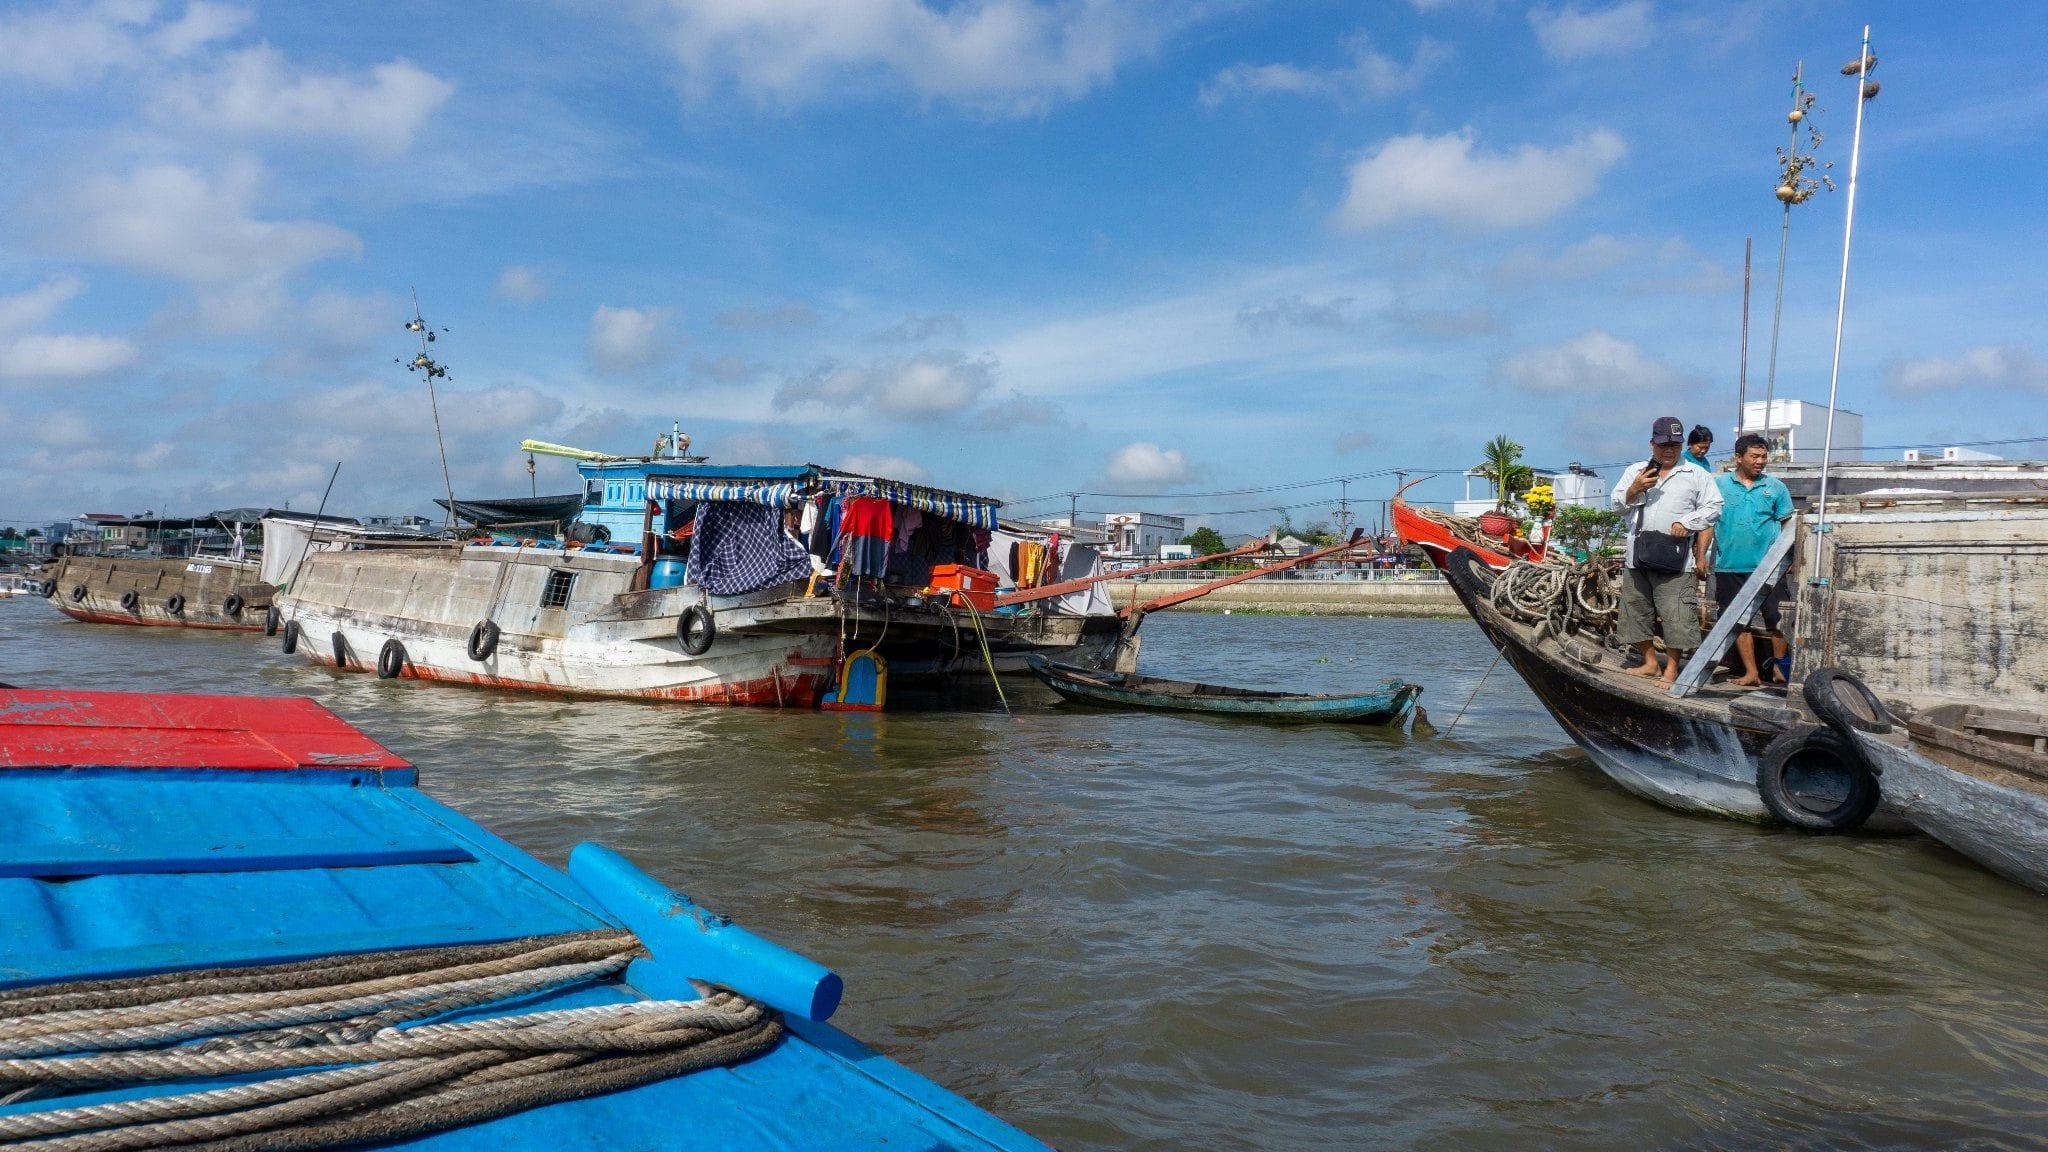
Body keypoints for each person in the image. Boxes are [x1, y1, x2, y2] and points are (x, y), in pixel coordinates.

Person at [1611, 416, 1723, 683]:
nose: (1669, 450)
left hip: (1676, 559)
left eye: (1674, 444)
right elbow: (1616, 505)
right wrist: (1634, 488)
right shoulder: (1636, 471)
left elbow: (1714, 507)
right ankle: (1650, 663)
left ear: (1682, 444)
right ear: (1652, 444)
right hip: (1638, 556)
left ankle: (1672, 669)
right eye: (1663, 445)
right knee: (1635, 611)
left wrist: (1688, 523)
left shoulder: (1696, 474)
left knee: (1678, 615)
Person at [1711, 432, 1795, 686]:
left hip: (1769, 566)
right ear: (1738, 457)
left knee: (1777, 620)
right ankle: (1751, 673)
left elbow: (1788, 523)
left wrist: (1790, 557)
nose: (1760, 461)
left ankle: (1779, 668)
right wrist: (1700, 555)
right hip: (1729, 566)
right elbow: (1707, 522)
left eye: (1763, 456)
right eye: (1755, 456)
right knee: (1737, 622)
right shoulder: (1719, 485)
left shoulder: (1776, 487)